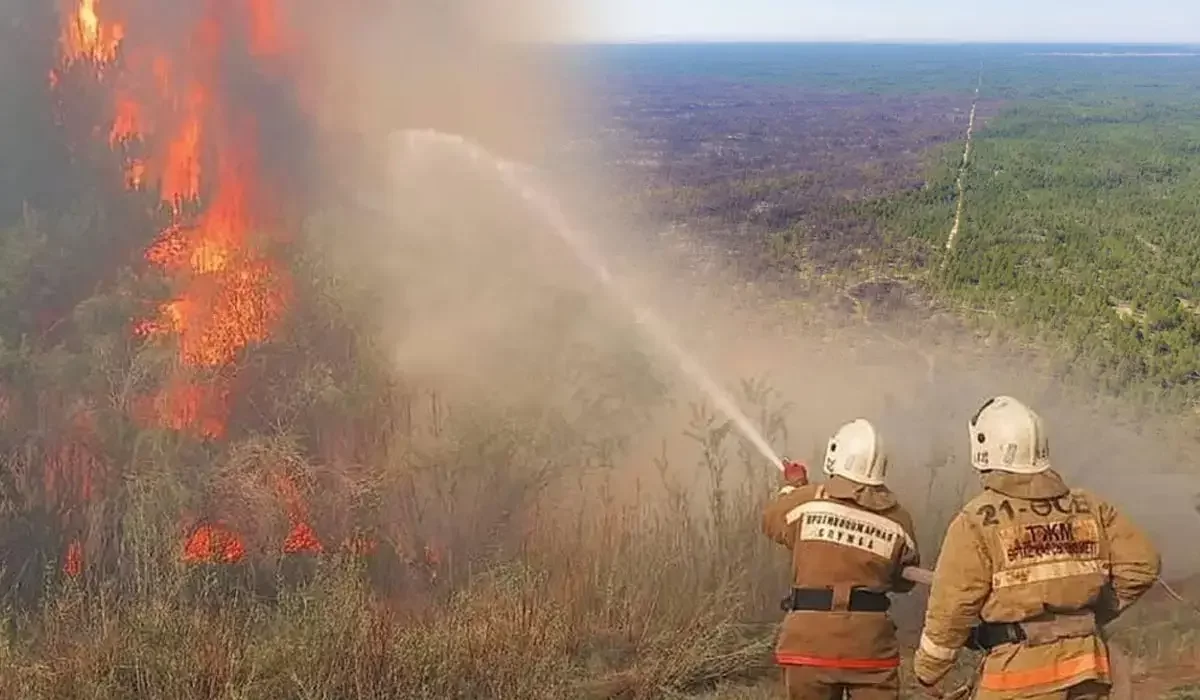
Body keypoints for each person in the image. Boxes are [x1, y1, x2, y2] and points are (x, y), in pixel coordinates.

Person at [914, 396, 1161, 699]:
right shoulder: (1089, 506)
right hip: (1088, 669)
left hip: (1018, 677)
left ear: (984, 447)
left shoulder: (976, 520)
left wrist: (929, 670)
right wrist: (1091, 615)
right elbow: (1142, 565)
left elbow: (951, 608)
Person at [763, 418, 921, 700]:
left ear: (835, 453)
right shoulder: (899, 519)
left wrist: (793, 488)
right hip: (870, 649)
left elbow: (772, 522)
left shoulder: (807, 500)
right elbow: (903, 581)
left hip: (809, 646)